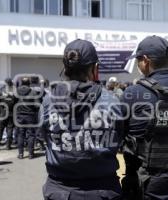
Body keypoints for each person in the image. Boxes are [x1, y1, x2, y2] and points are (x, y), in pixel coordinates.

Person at [41, 39, 123, 200]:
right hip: (103, 190)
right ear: (94, 68)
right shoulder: (112, 101)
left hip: (59, 190)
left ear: (65, 68)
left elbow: (45, 137)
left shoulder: (47, 101)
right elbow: (118, 138)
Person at [121, 35, 168, 200]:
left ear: (145, 60)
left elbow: (119, 134)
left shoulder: (133, 93)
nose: (138, 64)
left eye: (139, 60)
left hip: (144, 183)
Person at [15, 77, 41, 159]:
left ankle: (20, 154)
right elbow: (37, 105)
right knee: (31, 135)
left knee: (20, 134)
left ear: (21, 83)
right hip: (30, 116)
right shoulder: (33, 92)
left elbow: (13, 102)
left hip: (19, 116)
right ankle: (30, 154)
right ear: (29, 83)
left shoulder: (17, 91)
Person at [0, 78, 17, 150]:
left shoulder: (1, 90)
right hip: (11, 113)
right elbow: (17, 102)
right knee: (10, 128)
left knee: (0, 128)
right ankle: (8, 145)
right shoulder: (14, 91)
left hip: (3, 112)